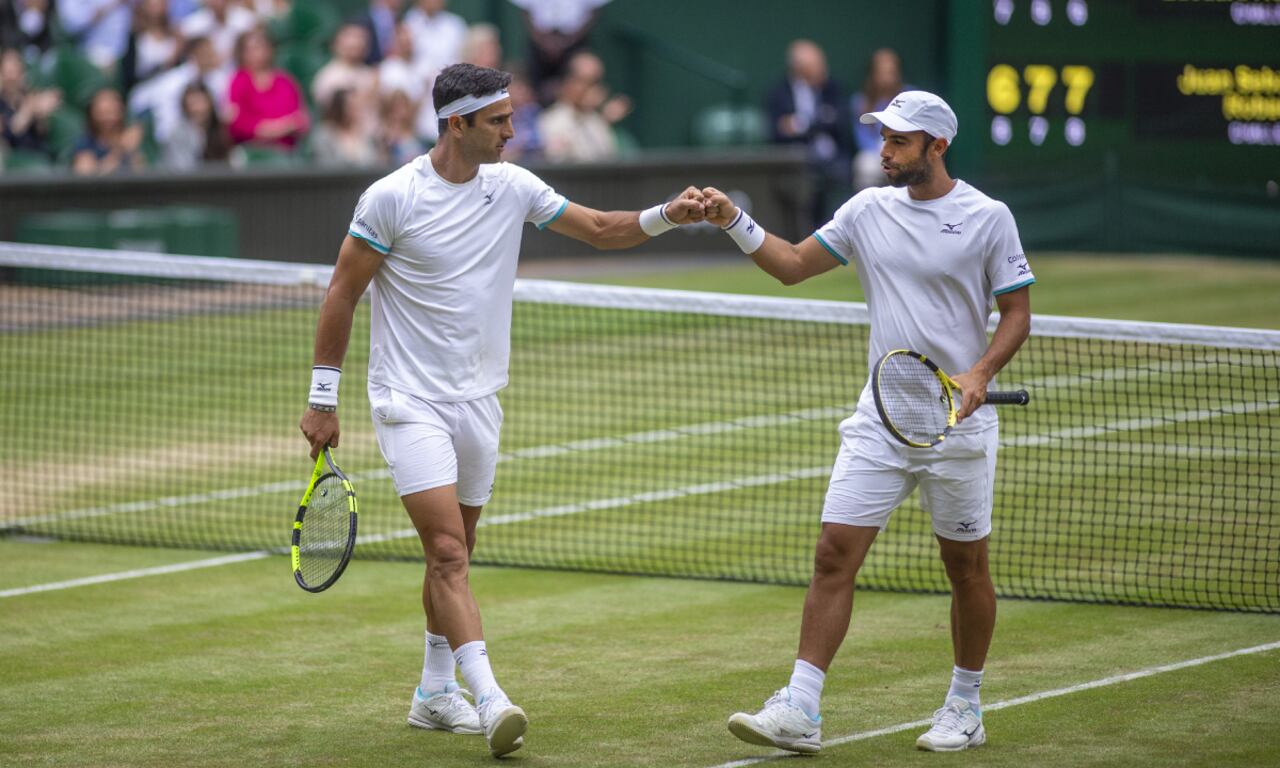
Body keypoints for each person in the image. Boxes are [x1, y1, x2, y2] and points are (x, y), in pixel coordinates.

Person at [297, 62, 705, 758]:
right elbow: (342, 292)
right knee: (449, 552)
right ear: (458, 124)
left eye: (512, 118)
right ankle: (491, 699)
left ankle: (432, 693)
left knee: (456, 554)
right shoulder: (392, 198)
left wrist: (670, 214)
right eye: (499, 121)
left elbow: (604, 228)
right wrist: (323, 398)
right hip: (408, 400)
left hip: (480, 401)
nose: (514, 131)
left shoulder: (513, 187)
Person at [705, 90, 1034, 755]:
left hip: (958, 431)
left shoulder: (988, 217)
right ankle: (801, 707)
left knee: (965, 568)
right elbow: (794, 266)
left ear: (937, 146)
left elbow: (1017, 313)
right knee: (833, 554)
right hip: (880, 422)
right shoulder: (865, 210)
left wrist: (979, 375)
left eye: (899, 142)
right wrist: (734, 219)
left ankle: (965, 706)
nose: (884, 152)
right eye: (882, 139)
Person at [765, 39, 853, 229]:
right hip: (797, 159)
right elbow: (777, 131)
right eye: (815, 65)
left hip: (833, 157)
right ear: (798, 67)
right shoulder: (778, 92)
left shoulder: (833, 88)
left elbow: (840, 120)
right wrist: (820, 122)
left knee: (843, 172)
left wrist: (800, 124)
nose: (822, 69)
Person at [507, 0, 607, 106]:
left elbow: (594, 10)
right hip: (539, 43)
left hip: (574, 41)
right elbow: (525, 9)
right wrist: (542, 41)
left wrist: (569, 41)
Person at [224, 25, 307, 150]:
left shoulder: (284, 81)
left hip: (286, 151)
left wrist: (274, 129)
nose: (257, 53)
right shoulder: (238, 81)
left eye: (260, 47)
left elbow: (300, 120)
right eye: (250, 49)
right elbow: (236, 122)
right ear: (242, 53)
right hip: (251, 151)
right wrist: (272, 129)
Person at [537, 50, 628, 162]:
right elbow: (558, 159)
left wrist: (604, 121)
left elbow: (609, 159)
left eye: (596, 82)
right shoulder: (552, 119)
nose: (592, 89)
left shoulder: (595, 119)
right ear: (569, 82)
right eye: (587, 82)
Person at [851, 48, 905, 191]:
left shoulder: (909, 97)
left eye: (890, 72)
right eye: (881, 72)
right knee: (865, 164)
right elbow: (861, 137)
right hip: (875, 155)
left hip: (903, 151)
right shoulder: (861, 101)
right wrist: (882, 152)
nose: (886, 78)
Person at [0, 46, 60, 158]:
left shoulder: (30, 96)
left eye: (15, 72)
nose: (12, 78)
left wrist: (42, 116)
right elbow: (9, 132)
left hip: (38, 155)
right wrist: (28, 110)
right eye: (8, 73)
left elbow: (43, 132)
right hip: (12, 159)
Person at [70, 86, 146, 174]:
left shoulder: (134, 139)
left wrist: (133, 151)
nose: (107, 118)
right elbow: (85, 178)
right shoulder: (84, 144)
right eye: (101, 113)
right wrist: (121, 150)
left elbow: (142, 174)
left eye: (111, 112)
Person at [162, 80, 230, 169]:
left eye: (201, 103)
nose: (197, 109)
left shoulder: (219, 131)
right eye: (193, 104)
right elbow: (181, 169)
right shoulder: (178, 134)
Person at [309, 86, 379, 167]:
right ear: (339, 108)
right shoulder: (325, 134)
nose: (356, 111)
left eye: (358, 106)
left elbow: (374, 163)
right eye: (351, 107)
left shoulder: (367, 135)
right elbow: (324, 166)